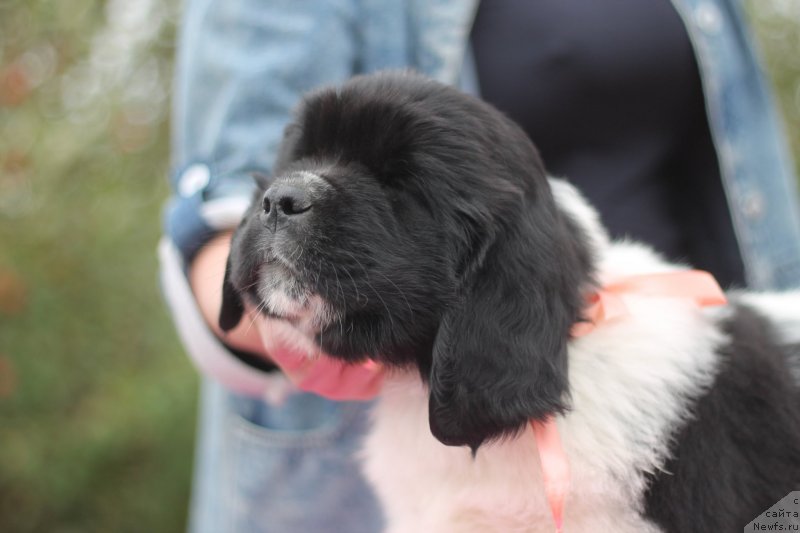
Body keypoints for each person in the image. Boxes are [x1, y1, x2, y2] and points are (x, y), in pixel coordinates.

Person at [158, 1, 800, 532]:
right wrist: (265, 300)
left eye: (395, 185)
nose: (287, 195)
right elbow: (220, 203)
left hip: (642, 365)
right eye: (296, 166)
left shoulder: (615, 437)